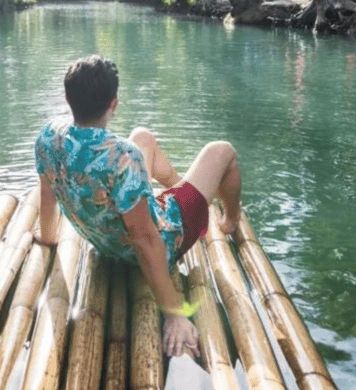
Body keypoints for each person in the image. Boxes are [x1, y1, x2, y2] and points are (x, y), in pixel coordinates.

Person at [33, 55, 242, 358]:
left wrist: (47, 235)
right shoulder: (122, 157)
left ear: (68, 98)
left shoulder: (48, 137)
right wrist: (174, 313)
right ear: (114, 103)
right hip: (165, 236)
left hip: (107, 241)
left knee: (142, 136)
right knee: (222, 151)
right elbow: (145, 240)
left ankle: (183, 185)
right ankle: (231, 220)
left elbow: (47, 191)